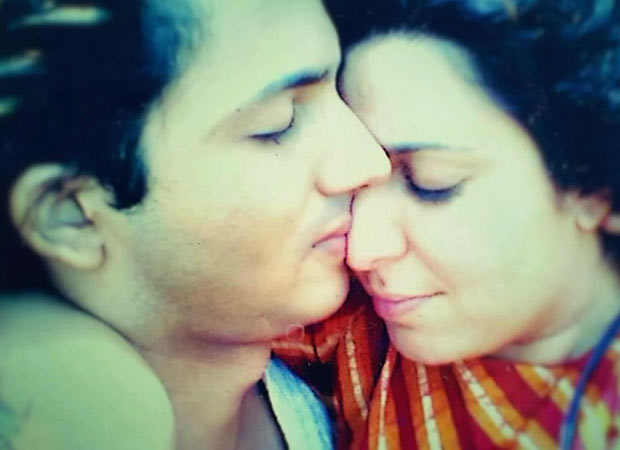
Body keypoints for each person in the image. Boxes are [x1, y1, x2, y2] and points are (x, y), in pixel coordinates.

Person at [0, 0, 391, 448]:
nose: (371, 161)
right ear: (72, 215)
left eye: (341, 92)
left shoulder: (374, 372)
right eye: (277, 124)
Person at [275, 0, 620, 448]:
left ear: (597, 191)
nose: (360, 250)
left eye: (430, 183)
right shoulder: (344, 326)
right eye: (354, 186)